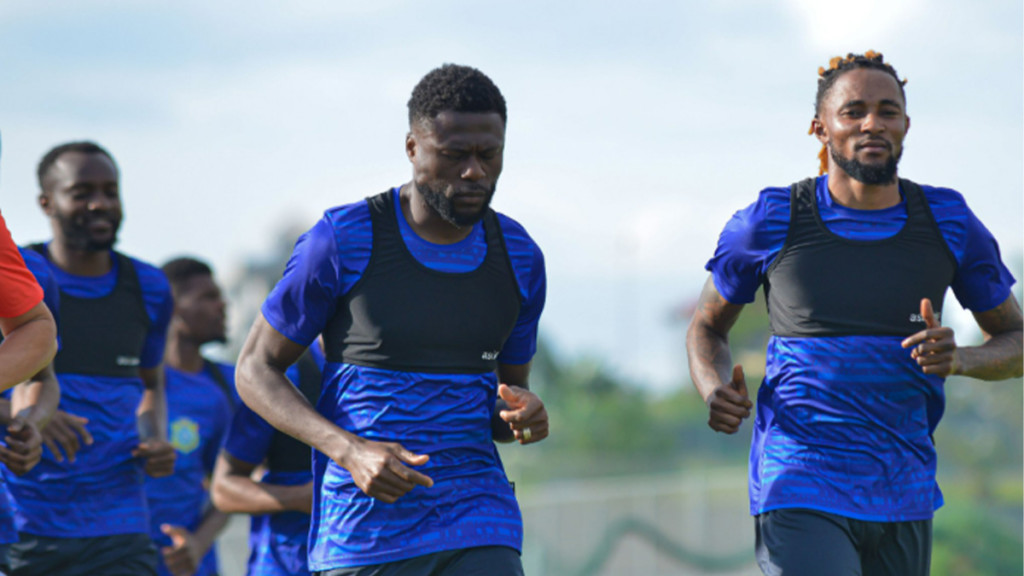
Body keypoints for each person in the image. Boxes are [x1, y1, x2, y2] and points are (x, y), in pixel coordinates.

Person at [686, 51, 1023, 576]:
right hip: (798, 480)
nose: (873, 123)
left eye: (888, 111)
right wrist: (714, 389)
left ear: (906, 125)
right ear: (820, 128)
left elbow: (1016, 341)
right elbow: (707, 326)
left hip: (904, 488)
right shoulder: (771, 219)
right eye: (854, 111)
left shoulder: (948, 220)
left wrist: (960, 359)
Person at [235, 63, 549, 576]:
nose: (474, 171)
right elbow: (254, 369)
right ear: (412, 148)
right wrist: (349, 450)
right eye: (455, 155)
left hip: (478, 518)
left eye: (489, 154)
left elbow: (505, 405)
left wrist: (524, 416)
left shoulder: (520, 256)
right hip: (365, 532)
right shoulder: (341, 239)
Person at [5, 141, 176, 576]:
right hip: (27, 520)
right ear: (46, 203)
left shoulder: (151, 286)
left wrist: (154, 437)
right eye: (81, 193)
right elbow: (24, 383)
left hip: (120, 523)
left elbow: (151, 384)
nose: (100, 203)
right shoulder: (20, 275)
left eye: (110, 191)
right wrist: (31, 417)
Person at [145, 257, 236, 576]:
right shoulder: (130, 384)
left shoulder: (227, 387)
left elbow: (231, 482)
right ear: (172, 308)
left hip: (189, 565)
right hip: (121, 557)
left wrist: (198, 542)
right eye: (207, 297)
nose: (222, 305)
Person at [210, 345, 323, 576]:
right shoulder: (283, 377)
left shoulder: (387, 374)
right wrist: (302, 497)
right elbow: (224, 489)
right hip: (286, 565)